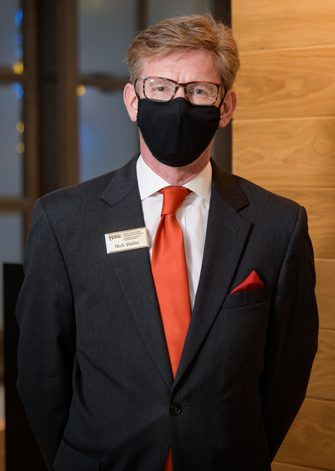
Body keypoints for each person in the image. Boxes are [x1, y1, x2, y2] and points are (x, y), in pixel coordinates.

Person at [16, 14, 318, 471]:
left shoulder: (280, 225)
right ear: (133, 101)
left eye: (198, 90)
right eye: (160, 87)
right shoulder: (63, 220)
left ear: (226, 107)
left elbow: (287, 371)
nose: (179, 103)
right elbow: (41, 369)